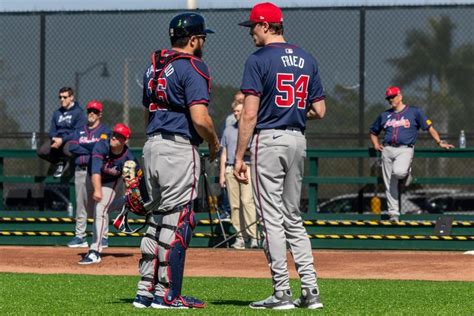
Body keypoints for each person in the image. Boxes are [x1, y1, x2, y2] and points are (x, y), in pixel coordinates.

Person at [233, 2, 326, 310]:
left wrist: (238, 156)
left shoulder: (258, 59)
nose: (251, 33)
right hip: (298, 138)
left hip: (269, 139)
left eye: (253, 27)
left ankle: (281, 292)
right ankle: (310, 291)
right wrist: (293, 112)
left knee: (271, 219)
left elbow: (248, 114)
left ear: (265, 26)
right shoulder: (308, 58)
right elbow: (320, 111)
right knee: (293, 218)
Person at [132, 12, 220, 309]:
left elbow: (147, 112)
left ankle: (146, 290)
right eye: (202, 38)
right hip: (178, 147)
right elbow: (200, 118)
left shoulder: (153, 67)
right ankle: (168, 294)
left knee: (156, 221)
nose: (203, 43)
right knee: (180, 219)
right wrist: (214, 141)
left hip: (152, 145)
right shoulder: (193, 67)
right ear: (194, 39)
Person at [369, 86, 454, 222]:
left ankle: (407, 173)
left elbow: (429, 128)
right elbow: (373, 132)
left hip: (405, 149)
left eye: (393, 96)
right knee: (389, 183)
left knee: (399, 173)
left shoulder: (415, 112)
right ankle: (394, 213)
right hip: (387, 149)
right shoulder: (384, 115)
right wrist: (375, 143)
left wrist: (439, 142)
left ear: (400, 96)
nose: (391, 100)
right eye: (389, 98)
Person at [78, 123, 138, 264]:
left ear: (125, 140)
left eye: (119, 136)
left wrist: (134, 190)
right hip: (93, 177)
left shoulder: (128, 157)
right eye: (114, 134)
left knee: (100, 210)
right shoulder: (101, 146)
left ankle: (95, 251)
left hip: (111, 183)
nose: (114, 137)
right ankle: (124, 202)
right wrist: (97, 189)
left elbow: (134, 180)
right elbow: (95, 171)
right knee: (93, 211)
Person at [66, 100, 111, 248]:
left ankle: (102, 237)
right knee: (81, 205)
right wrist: (92, 148)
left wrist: (85, 145)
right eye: (90, 111)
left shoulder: (105, 131)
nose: (92, 113)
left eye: (95, 111)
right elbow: (72, 146)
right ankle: (80, 236)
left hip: (98, 172)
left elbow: (103, 147)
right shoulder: (79, 129)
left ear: (100, 114)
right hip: (81, 170)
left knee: (101, 205)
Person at [219, 100, 258, 249]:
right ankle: (240, 237)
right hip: (230, 169)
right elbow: (224, 153)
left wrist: (241, 154)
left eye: (239, 111)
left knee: (247, 201)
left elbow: (253, 150)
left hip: (246, 167)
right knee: (234, 206)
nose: (236, 113)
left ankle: (254, 237)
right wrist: (222, 174)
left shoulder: (252, 129)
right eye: (234, 111)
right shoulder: (228, 130)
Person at [37, 87, 86, 178]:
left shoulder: (79, 112)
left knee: (67, 150)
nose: (62, 99)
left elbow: (78, 132)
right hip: (58, 139)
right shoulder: (57, 113)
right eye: (60, 97)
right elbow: (52, 130)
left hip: (71, 139)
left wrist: (62, 140)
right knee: (42, 151)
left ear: (71, 97)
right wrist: (54, 138)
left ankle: (74, 166)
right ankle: (60, 162)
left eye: (65, 97)